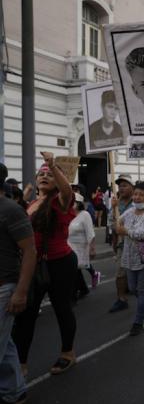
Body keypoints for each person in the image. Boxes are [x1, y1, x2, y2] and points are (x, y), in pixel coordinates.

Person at [13, 152, 78, 376]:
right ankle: (20, 363)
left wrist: (53, 165)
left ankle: (67, 353)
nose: (45, 176)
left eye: (50, 174)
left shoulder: (61, 201)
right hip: (33, 265)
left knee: (62, 309)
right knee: (26, 314)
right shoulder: (31, 204)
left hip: (59, 264)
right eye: (41, 173)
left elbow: (67, 190)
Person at [0, 163, 36, 404]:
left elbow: (30, 251)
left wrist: (21, 292)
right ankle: (14, 391)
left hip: (4, 287)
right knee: (6, 343)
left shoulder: (11, 210)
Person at [114, 181, 144, 336]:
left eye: (141, 195)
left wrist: (125, 231)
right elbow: (116, 223)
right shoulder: (129, 212)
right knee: (133, 289)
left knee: (141, 291)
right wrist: (114, 207)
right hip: (129, 256)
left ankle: (138, 322)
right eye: (135, 194)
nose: (137, 197)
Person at [108, 174, 134, 313]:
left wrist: (126, 229)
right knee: (120, 273)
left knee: (140, 274)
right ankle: (121, 299)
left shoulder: (137, 202)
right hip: (121, 245)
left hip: (137, 244)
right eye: (120, 186)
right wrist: (113, 209)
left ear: (132, 187)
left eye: (125, 185)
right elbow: (111, 225)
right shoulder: (115, 203)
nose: (121, 188)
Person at [68, 193, 100, 300]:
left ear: (79, 204)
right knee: (75, 269)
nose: (71, 204)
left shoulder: (85, 215)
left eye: (74, 202)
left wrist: (92, 248)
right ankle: (82, 289)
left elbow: (90, 233)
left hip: (81, 246)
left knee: (75, 269)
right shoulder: (68, 214)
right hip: (69, 246)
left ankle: (73, 294)